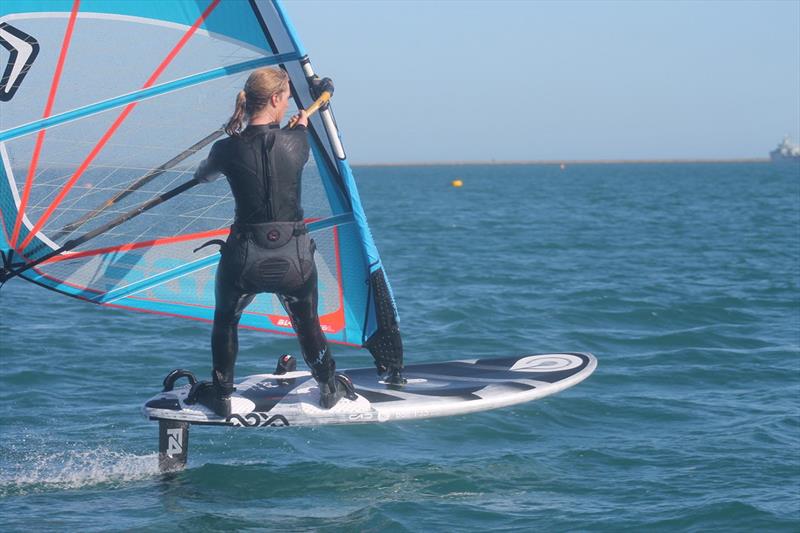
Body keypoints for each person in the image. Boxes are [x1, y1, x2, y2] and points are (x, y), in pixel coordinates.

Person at [188, 67, 356, 416]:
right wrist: (299, 126)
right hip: (294, 259)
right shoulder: (299, 142)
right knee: (307, 322)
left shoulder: (225, 149)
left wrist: (219, 152)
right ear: (278, 99)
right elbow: (284, 143)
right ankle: (328, 386)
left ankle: (221, 393)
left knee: (226, 320)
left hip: (243, 260)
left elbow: (202, 175)